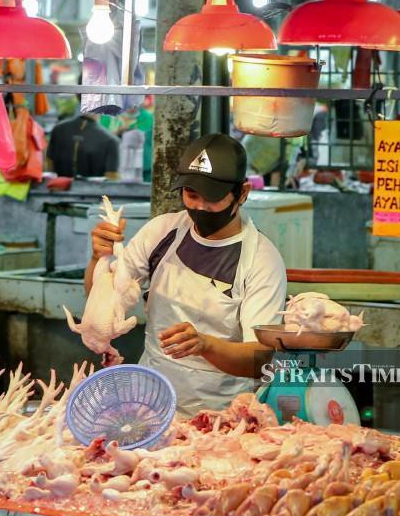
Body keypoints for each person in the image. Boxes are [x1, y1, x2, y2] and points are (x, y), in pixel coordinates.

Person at [86, 133, 286, 415]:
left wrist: (205, 345)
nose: (200, 207)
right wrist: (99, 259)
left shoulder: (261, 260)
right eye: (192, 195)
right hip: (147, 403)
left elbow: (260, 358)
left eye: (212, 198)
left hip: (217, 415)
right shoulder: (161, 231)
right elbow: (102, 305)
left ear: (242, 193)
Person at [46, 112, 119, 179]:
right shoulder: (111, 140)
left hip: (59, 189)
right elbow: (111, 179)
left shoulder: (58, 130)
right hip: (93, 191)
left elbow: (49, 167)